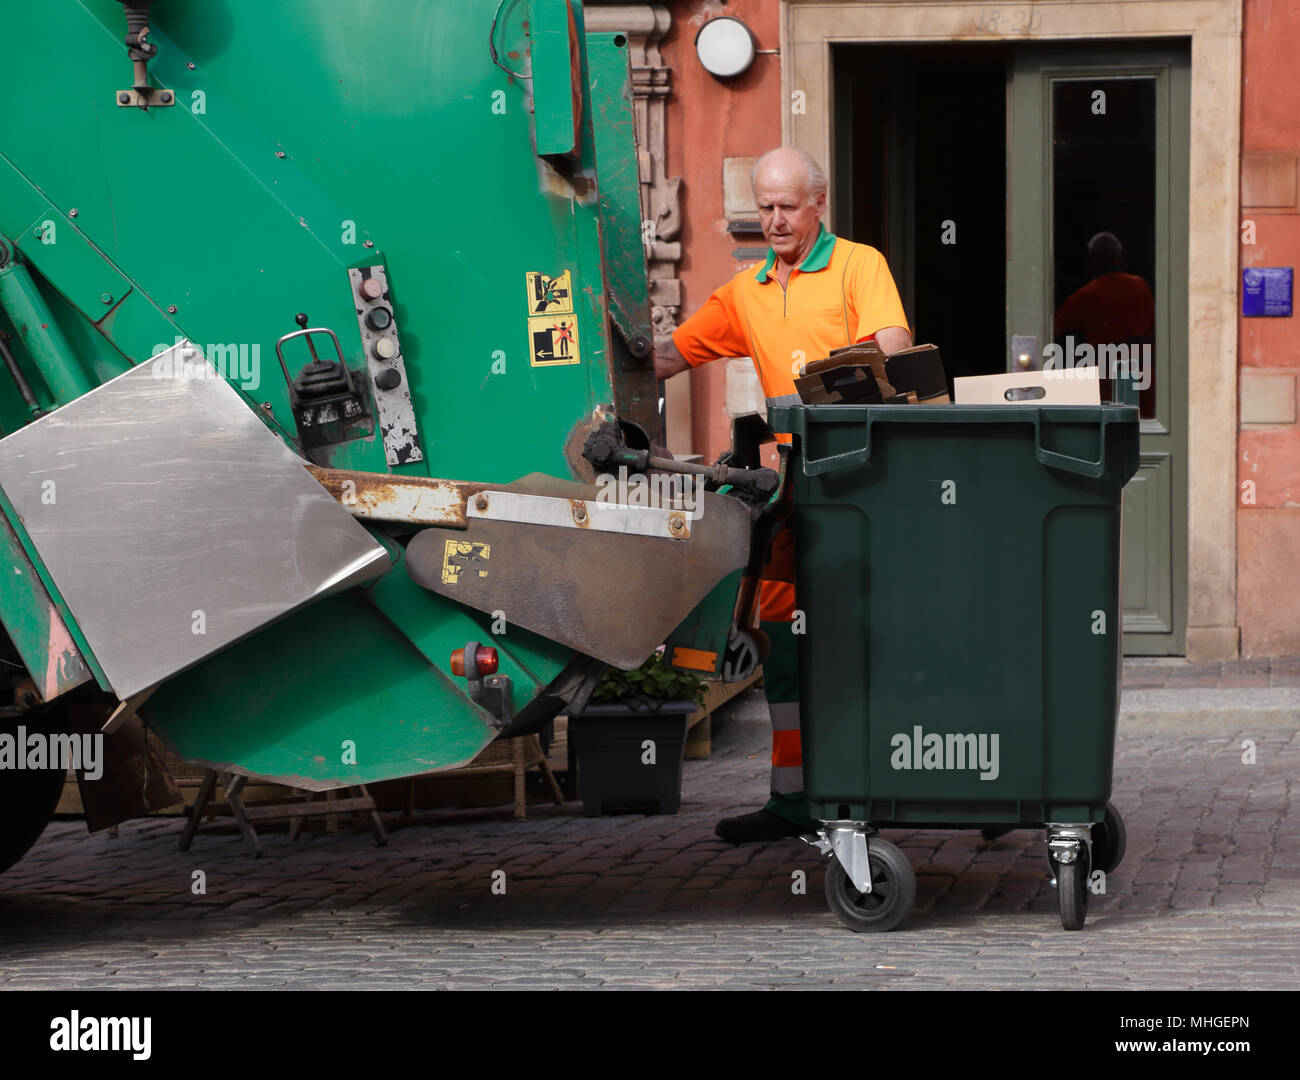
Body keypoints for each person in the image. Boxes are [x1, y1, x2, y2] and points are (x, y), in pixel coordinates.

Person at [653, 147, 910, 843]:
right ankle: (792, 798)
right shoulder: (747, 292)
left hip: (862, 483)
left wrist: (814, 396)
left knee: (868, 632)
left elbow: (892, 346)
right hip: (793, 494)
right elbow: (667, 355)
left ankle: (888, 782)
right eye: (763, 208)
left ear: (817, 205)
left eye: (786, 207)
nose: (773, 220)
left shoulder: (858, 266)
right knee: (784, 637)